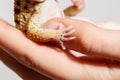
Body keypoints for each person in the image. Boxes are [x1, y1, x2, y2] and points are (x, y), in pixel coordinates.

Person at [0, 0, 120, 79]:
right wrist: (56, 35)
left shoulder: (45, 5)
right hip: (52, 49)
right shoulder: (37, 10)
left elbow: (60, 16)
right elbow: (32, 32)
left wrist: (75, 9)